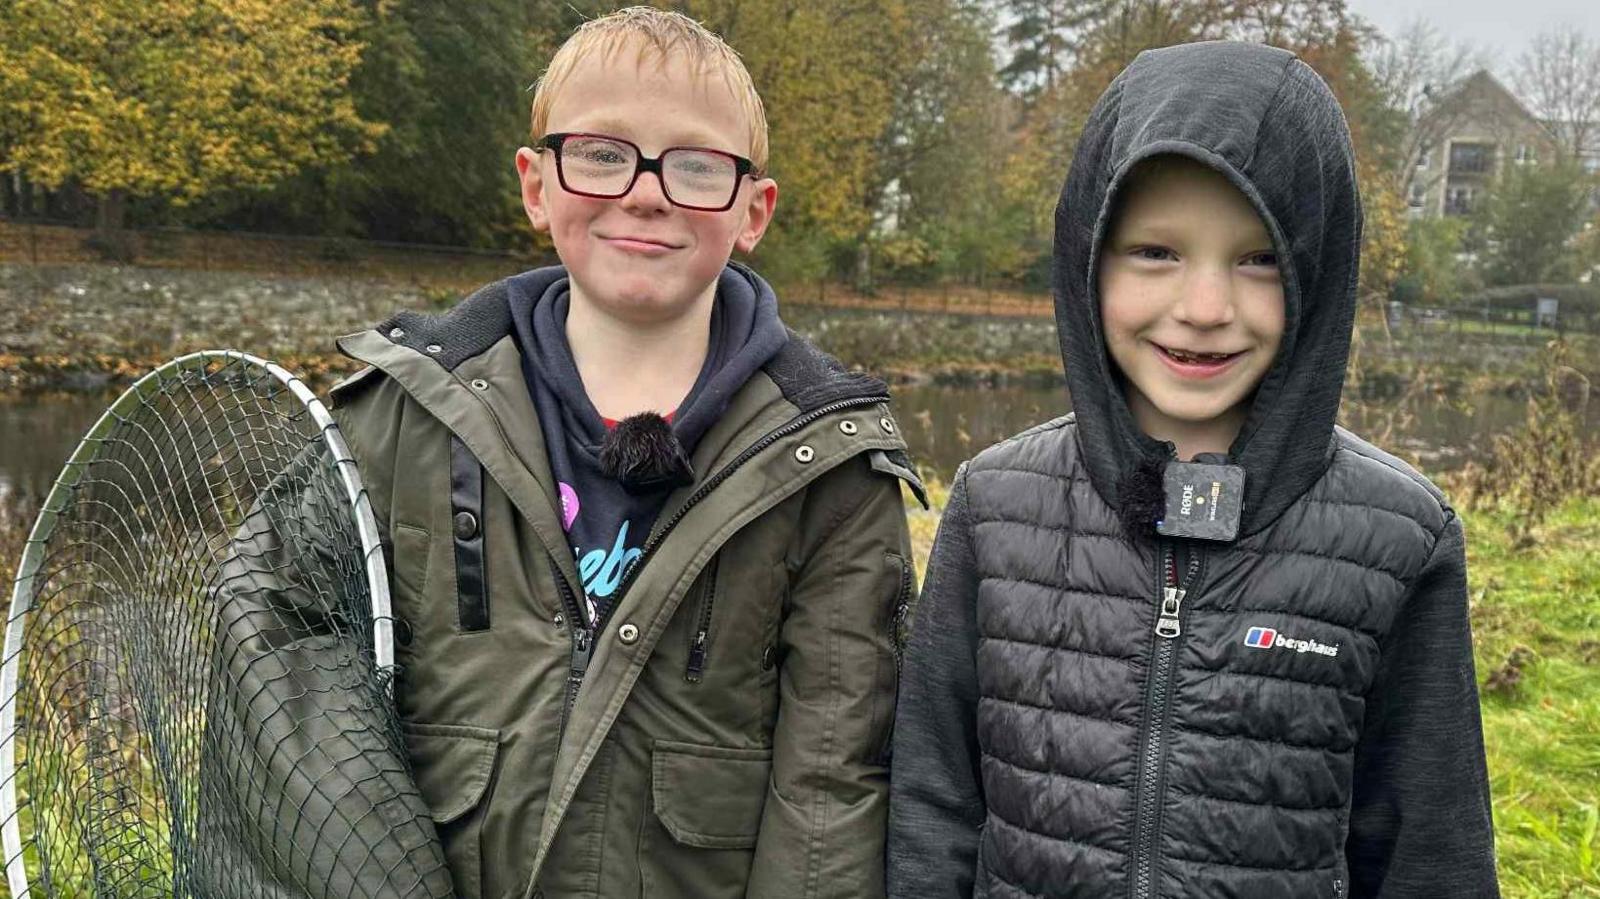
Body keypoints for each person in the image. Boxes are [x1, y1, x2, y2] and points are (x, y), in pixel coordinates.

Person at [326, 8, 922, 898]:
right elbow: (292, 668)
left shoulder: (832, 468)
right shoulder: (401, 412)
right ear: (536, 184)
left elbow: (830, 793)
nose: (645, 192)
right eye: (603, 154)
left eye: (694, 164)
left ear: (752, 210)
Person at [887, 41, 1499, 898]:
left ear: (1316, 269)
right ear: (1086, 256)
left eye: (1258, 259)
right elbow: (931, 805)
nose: (1206, 308)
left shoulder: (1404, 533)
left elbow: (1430, 849)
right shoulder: (993, 502)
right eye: (1156, 252)